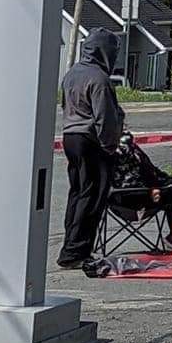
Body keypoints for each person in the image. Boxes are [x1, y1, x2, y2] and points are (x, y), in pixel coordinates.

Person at [56, 27, 125, 272]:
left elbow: (66, 105)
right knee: (92, 196)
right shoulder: (99, 79)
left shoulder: (72, 74)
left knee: (78, 193)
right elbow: (104, 118)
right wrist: (110, 146)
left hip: (70, 137)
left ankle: (70, 246)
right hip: (90, 139)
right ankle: (77, 251)